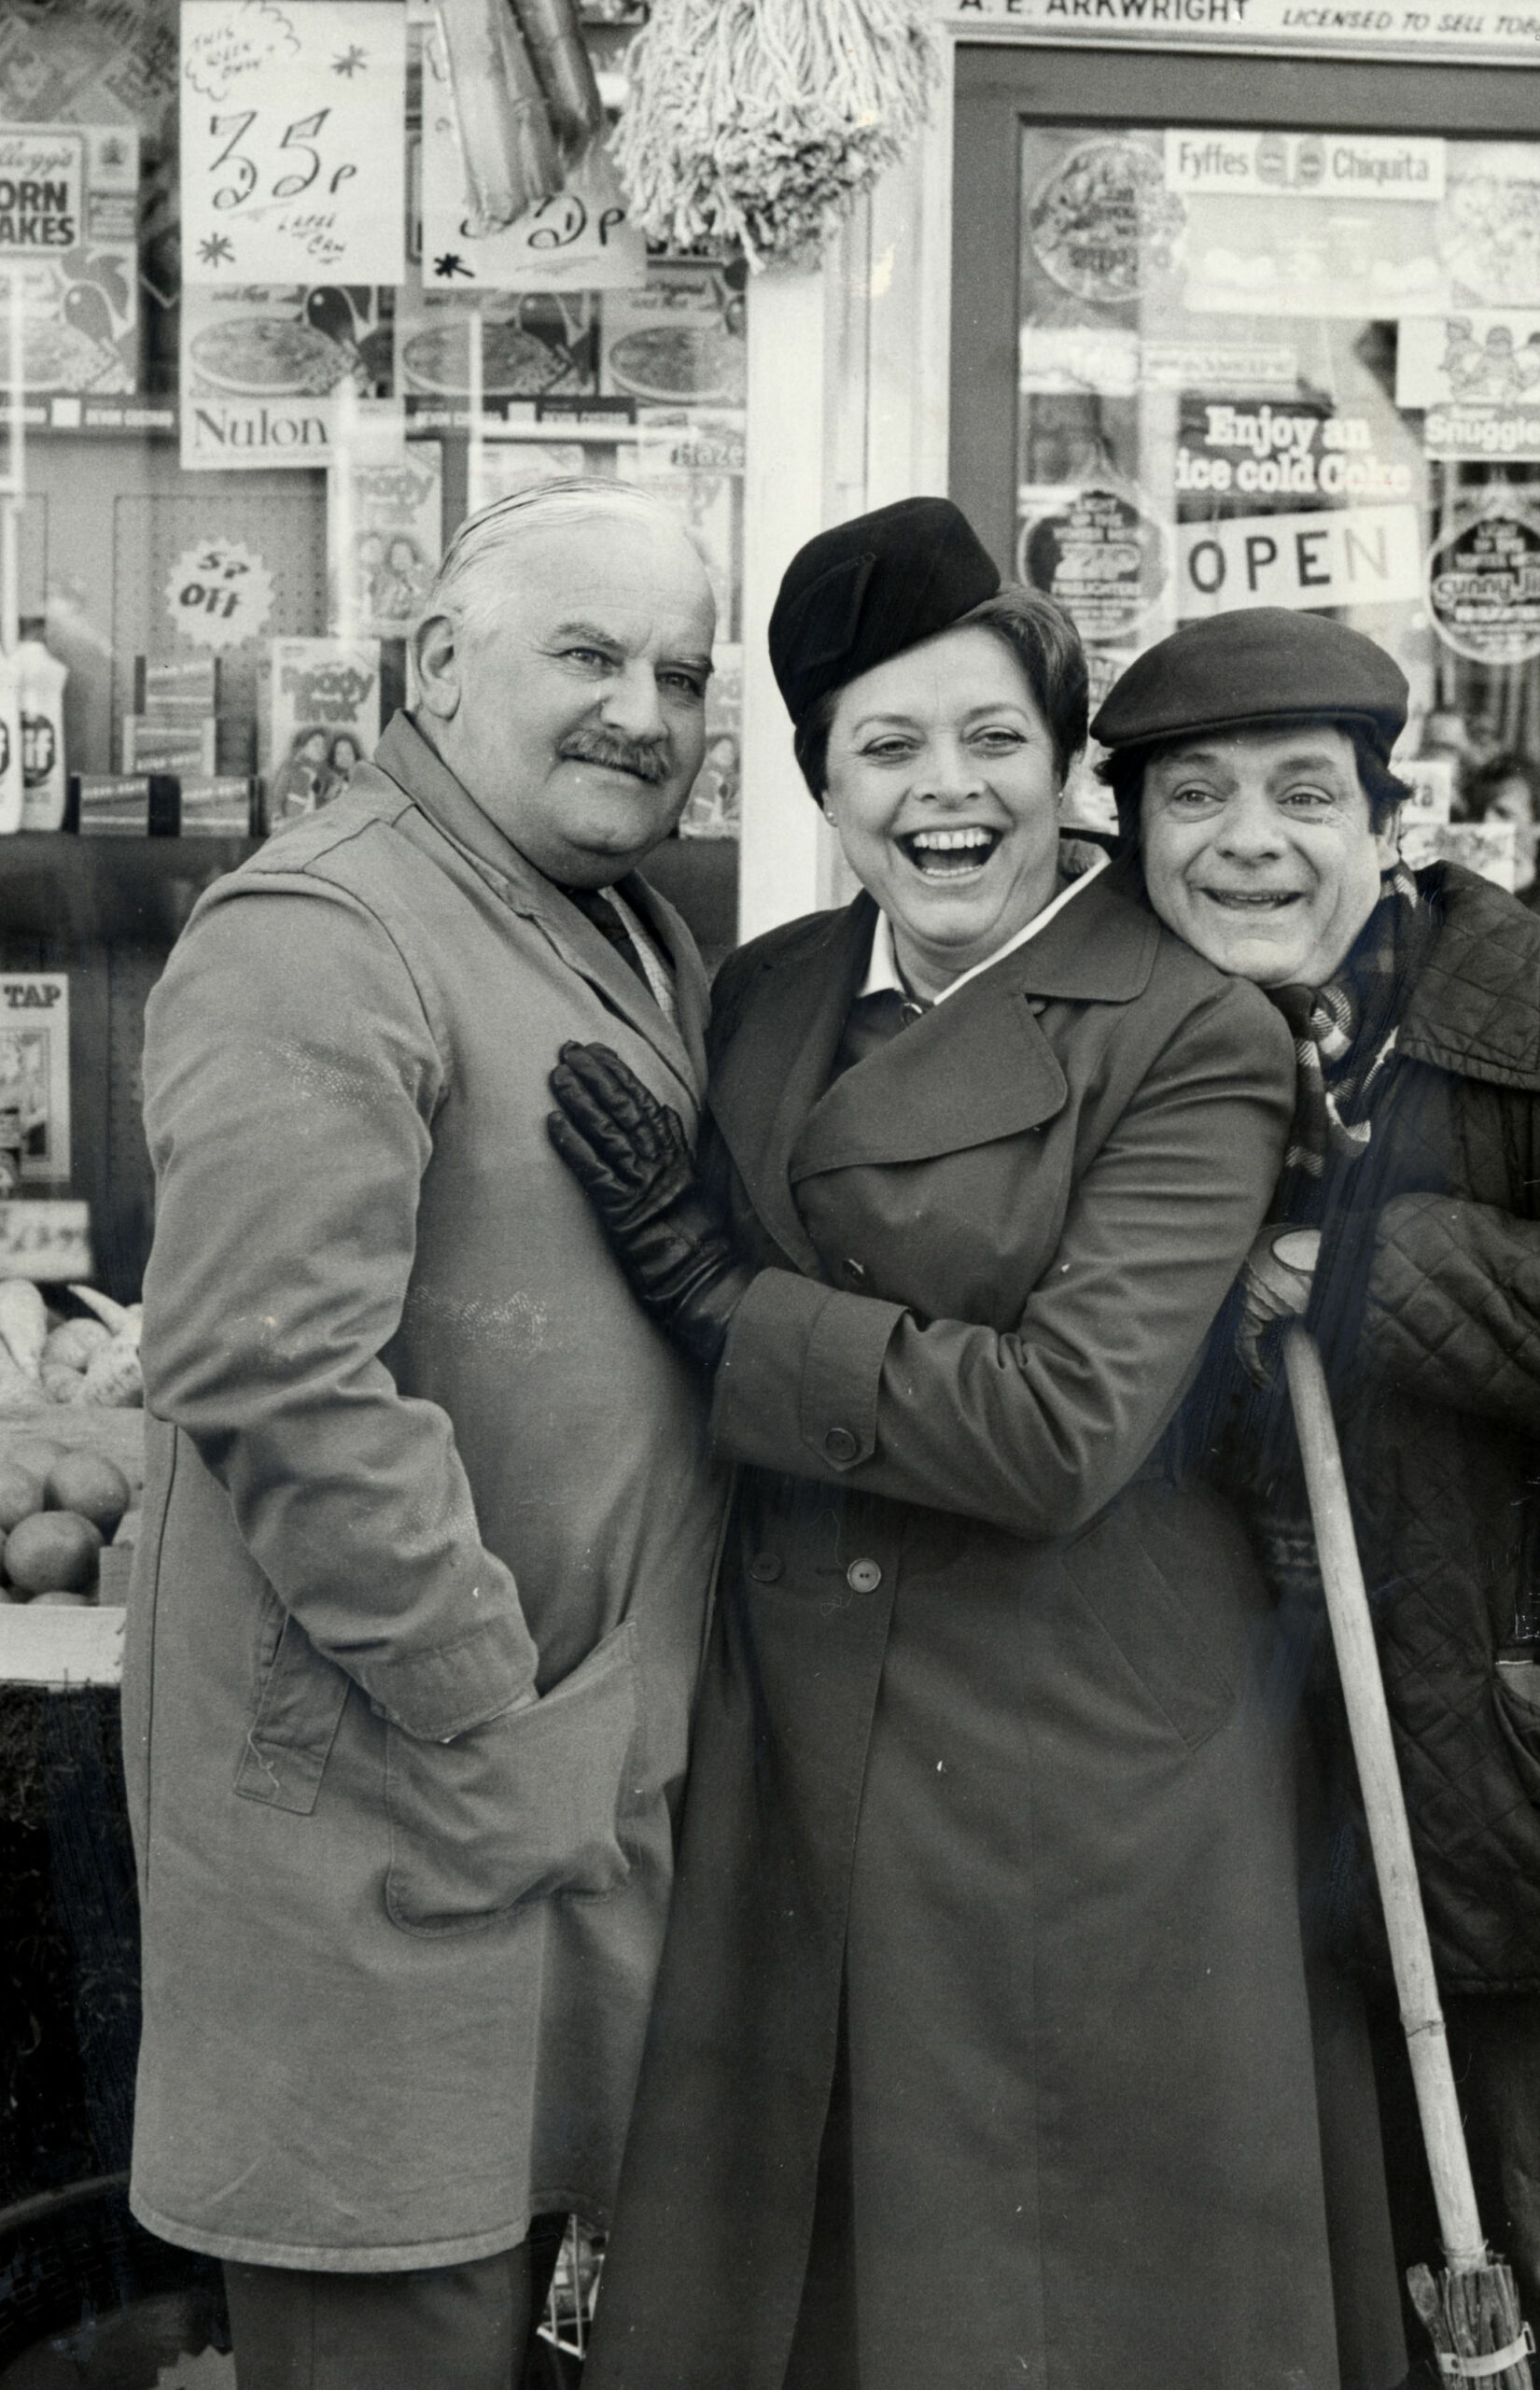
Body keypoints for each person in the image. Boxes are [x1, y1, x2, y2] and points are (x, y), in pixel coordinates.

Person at [554, 499, 1407, 2390]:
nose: (949, 792)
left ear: (1059, 764)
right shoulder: (770, 986)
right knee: (811, 2291)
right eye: (888, 745)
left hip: (1072, 1771)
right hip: (798, 1747)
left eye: (994, 739)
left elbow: (1059, 1426)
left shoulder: (1188, 1030)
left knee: (1050, 2303)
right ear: (820, 784)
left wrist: (724, 1302)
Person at [124, 477, 726, 2390]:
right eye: (590, 652)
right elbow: (262, 1364)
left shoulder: (608, 918)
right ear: (439, 665)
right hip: (391, 1806)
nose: (646, 703)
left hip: (538, 1811)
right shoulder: (325, 923)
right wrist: (483, 1683)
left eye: (683, 670)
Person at [1095, 606, 1540, 2390]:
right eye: (1196, 796)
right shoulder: (1111, 1044)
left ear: (1383, 819)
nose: (1249, 840)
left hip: (1521, 1782)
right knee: (1298, 2288)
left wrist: (1367, 1270)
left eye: (1301, 793)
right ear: (1132, 832)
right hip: (1228, 1790)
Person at [1459, 750, 1540, 922]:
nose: (1486, 823)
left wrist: (1526, 894)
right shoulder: (1456, 879)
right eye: (1477, 813)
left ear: (1539, 825)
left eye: (1503, 814)